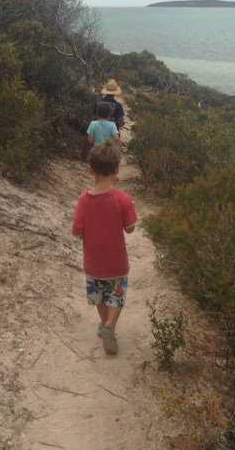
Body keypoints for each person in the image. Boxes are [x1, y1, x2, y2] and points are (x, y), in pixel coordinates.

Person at [71, 141, 138, 355]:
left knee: (99, 297)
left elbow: (77, 231)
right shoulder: (123, 199)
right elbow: (130, 229)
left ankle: (104, 324)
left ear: (91, 170)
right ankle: (110, 325)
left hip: (94, 263)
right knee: (116, 296)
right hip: (117, 262)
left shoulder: (84, 200)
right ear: (117, 170)